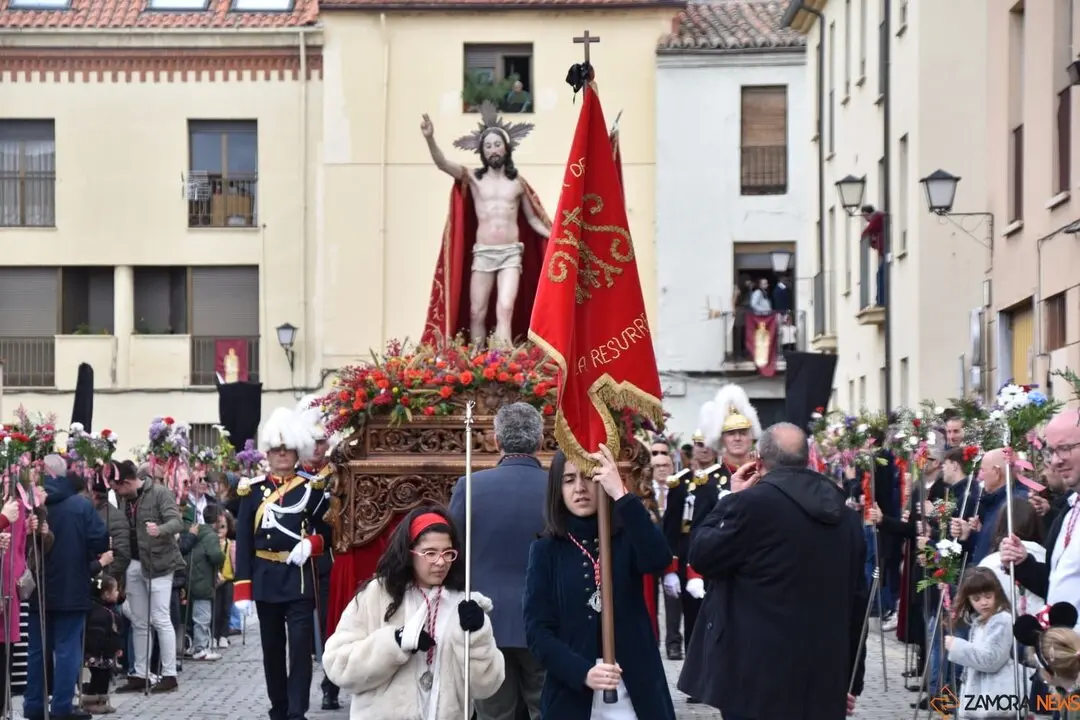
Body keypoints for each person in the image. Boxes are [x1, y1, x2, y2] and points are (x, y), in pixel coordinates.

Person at [679, 423, 866, 720]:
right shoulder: (848, 518)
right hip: (823, 677)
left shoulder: (750, 505)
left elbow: (702, 555)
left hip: (755, 677)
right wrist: (851, 679)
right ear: (806, 458)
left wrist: (731, 498)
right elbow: (857, 604)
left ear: (758, 460)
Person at [523, 445, 676, 720]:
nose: (580, 488)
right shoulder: (546, 550)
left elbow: (658, 558)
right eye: (569, 479)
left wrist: (621, 495)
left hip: (636, 688)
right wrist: (582, 672)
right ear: (557, 489)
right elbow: (537, 630)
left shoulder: (626, 536)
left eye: (588, 477)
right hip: (572, 694)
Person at [322, 505, 505, 718]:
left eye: (448, 553)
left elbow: (486, 686)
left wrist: (477, 638)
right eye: (430, 553)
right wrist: (395, 642)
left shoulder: (464, 604)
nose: (441, 562)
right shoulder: (377, 595)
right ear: (409, 553)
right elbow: (338, 665)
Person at [419, 103, 552, 347]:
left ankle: (503, 358)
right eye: (488, 146)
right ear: (482, 151)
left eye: (497, 144)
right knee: (477, 311)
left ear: (506, 148)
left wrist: (555, 237)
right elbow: (442, 163)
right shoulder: (473, 178)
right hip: (483, 254)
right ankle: (477, 359)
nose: (493, 150)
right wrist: (430, 139)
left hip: (511, 254)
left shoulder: (517, 184)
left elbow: (533, 219)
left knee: (505, 307)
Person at [449, 402, 547, 720]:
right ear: (540, 441)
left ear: (496, 441)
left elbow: (452, 551)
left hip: (487, 622)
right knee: (548, 710)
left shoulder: (470, 487)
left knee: (495, 714)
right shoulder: (560, 488)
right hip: (546, 621)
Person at [233, 406, 331, 720]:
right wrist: (242, 588)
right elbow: (244, 542)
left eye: (287, 449)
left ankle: (296, 710)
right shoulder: (252, 491)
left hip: (298, 579)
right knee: (272, 650)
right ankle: (278, 707)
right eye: (276, 450)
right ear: (268, 454)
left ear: (297, 452)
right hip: (265, 578)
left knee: (300, 650)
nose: (282, 455)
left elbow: (330, 532)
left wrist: (312, 544)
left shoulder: (311, 488)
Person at [662, 384, 760, 675]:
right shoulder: (708, 482)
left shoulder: (765, 473)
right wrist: (692, 573)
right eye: (731, 433)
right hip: (720, 570)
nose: (738, 438)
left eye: (742, 432)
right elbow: (697, 533)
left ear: (752, 435)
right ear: (722, 439)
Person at [26, 455, 110, 720]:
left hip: (37, 587)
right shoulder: (80, 506)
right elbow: (100, 540)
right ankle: (61, 707)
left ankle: (33, 706)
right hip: (72, 586)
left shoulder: (31, 503)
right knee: (66, 650)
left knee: (37, 650)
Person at [112, 459, 186, 694]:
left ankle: (169, 674)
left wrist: (160, 530)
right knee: (139, 621)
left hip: (159, 563)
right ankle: (140, 674)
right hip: (134, 563)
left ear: (126, 482)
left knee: (160, 618)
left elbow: (177, 522)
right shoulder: (124, 500)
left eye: (117, 487)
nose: (116, 492)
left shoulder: (159, 493)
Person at [295, 394, 341, 711]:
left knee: (329, 625)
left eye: (322, 442)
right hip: (296, 564)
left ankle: (330, 685)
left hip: (326, 559)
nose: (316, 448)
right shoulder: (291, 478)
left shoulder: (335, 476)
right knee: (299, 633)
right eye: (312, 442)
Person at [944, 567, 1016, 718]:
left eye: (988, 596)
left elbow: (991, 660)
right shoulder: (980, 621)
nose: (983, 603)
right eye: (976, 599)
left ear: (997, 594)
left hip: (996, 697)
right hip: (984, 697)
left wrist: (957, 647)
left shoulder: (1001, 620)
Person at [185, 503, 226, 662]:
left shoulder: (199, 531)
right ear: (218, 518)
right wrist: (222, 555)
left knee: (196, 615)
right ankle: (201, 649)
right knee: (203, 616)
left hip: (194, 577)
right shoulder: (211, 536)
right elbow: (215, 555)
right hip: (203, 579)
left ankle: (197, 646)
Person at [82, 575, 124, 715]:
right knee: (97, 678)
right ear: (106, 594)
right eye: (115, 590)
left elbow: (117, 632)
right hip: (98, 654)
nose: (118, 593)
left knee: (105, 677)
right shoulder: (99, 613)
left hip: (107, 653)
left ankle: (102, 701)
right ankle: (91, 702)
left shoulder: (111, 610)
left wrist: (118, 647)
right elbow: (96, 635)